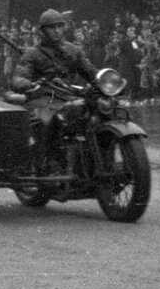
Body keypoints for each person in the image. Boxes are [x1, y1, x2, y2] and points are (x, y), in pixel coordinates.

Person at [11, 9, 100, 172]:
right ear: (43, 30)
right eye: (52, 27)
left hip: (67, 96)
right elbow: (19, 76)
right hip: (43, 96)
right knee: (45, 120)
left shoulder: (73, 50)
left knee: (99, 112)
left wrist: (105, 82)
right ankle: (43, 163)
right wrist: (28, 84)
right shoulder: (33, 53)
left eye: (60, 26)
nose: (57, 31)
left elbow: (91, 72)